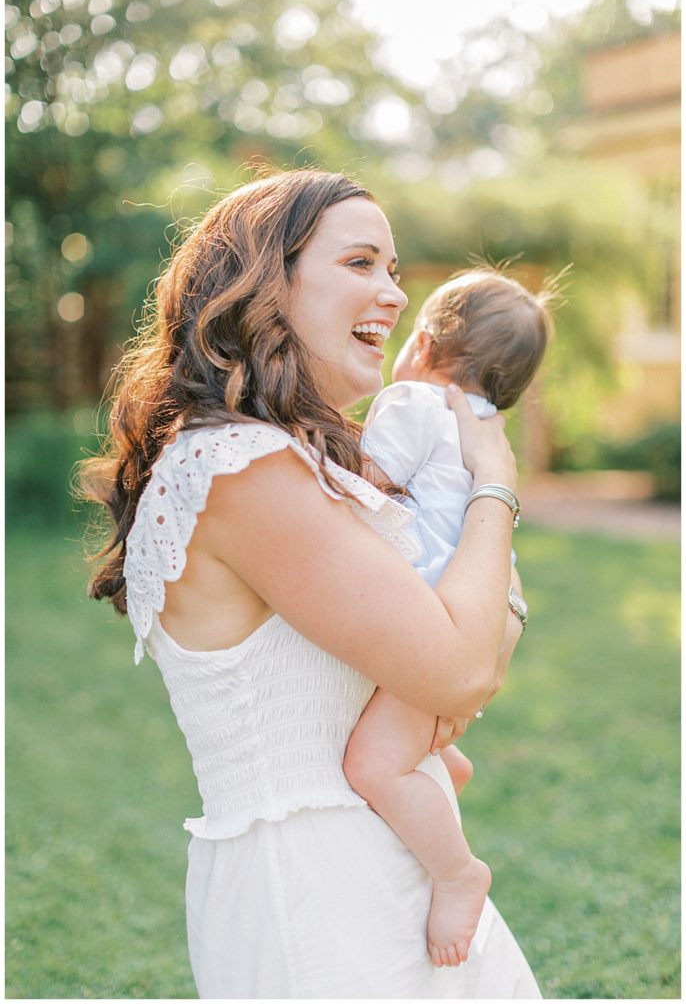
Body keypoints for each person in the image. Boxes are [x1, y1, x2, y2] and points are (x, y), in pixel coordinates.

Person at [79, 167, 541, 998]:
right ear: (266, 283)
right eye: (361, 263)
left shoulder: (298, 459)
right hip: (322, 890)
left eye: (394, 272)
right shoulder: (239, 469)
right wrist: (495, 479)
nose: (394, 295)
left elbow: (474, 651)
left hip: (390, 854)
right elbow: (465, 666)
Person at [344, 269, 551, 966]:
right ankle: (444, 762)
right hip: (476, 608)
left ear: (422, 343)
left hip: (433, 621)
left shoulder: (408, 400)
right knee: (394, 735)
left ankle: (459, 872)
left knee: (373, 765)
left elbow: (366, 482)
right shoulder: (486, 429)